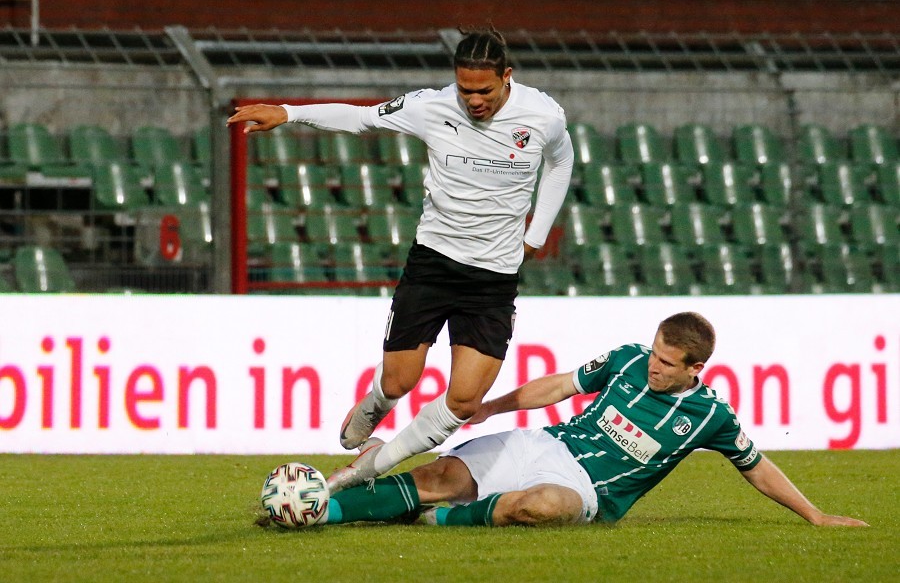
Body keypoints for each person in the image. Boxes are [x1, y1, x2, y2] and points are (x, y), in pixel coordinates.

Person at [228, 27, 574, 494]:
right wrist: (290, 112)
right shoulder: (432, 106)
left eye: (485, 91)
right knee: (398, 381)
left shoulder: (543, 115)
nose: (474, 100)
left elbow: (561, 161)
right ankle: (376, 403)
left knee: (464, 401)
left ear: (507, 76)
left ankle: (368, 468)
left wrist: (536, 233)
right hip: (434, 264)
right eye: (466, 90)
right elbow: (361, 119)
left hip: (493, 278)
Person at [309, 312, 868, 527]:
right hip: (544, 445)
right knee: (438, 476)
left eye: (666, 363)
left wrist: (815, 515)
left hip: (585, 490)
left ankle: (439, 521)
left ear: (694, 368)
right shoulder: (627, 359)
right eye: (654, 353)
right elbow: (558, 386)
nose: (653, 366)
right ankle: (318, 510)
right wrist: (492, 407)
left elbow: (756, 466)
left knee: (543, 507)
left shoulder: (710, 416)